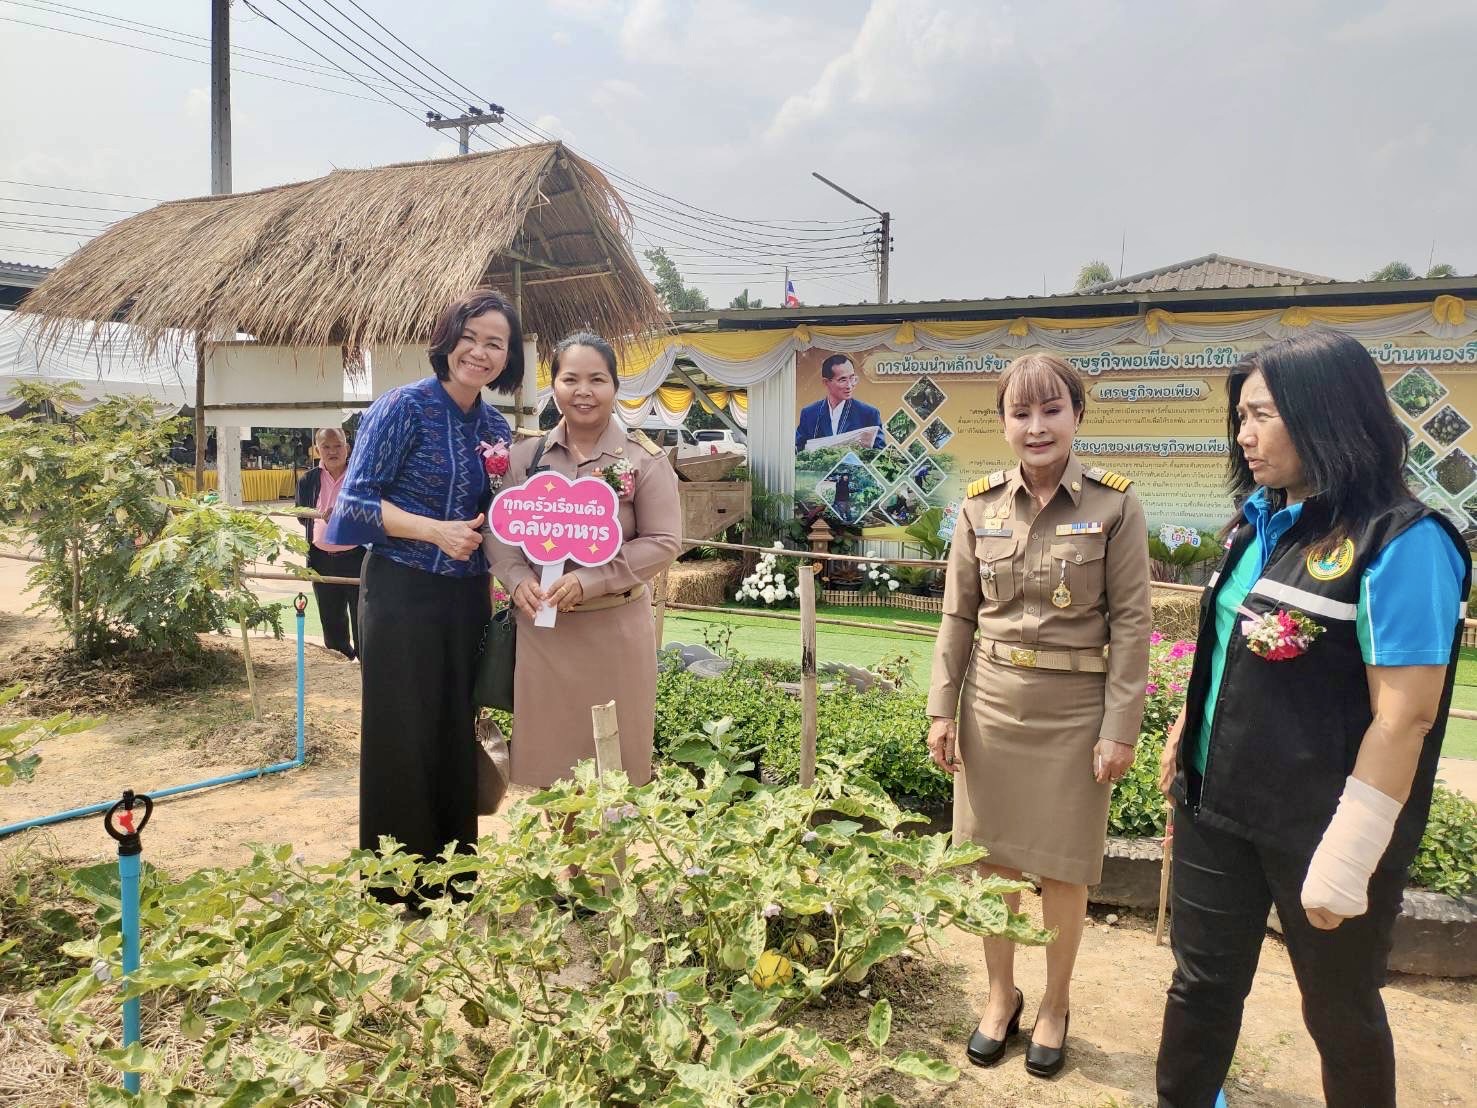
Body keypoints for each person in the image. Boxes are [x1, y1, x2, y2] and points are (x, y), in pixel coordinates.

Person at [1154, 330, 1469, 1108]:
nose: (1243, 436)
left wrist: (1349, 852)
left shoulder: (1401, 542)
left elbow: (1406, 717)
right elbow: (1227, 648)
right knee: (1200, 986)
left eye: (1260, 415)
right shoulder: (1259, 522)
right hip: (1216, 810)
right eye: (1239, 417)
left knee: (1338, 1012)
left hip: (1324, 831)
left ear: (1323, 413)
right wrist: (1180, 742)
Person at [925, 352, 1151, 1078]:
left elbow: (1133, 626)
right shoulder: (976, 506)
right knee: (989, 863)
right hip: (990, 706)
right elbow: (957, 617)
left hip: (1075, 715)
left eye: (1050, 409)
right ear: (1002, 423)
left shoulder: (1114, 506)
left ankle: (1054, 1002)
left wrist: (1120, 727)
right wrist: (942, 709)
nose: (1035, 425)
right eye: (1019, 412)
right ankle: (999, 996)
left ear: (1076, 416)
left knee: (1063, 871)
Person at [323, 288, 519, 905]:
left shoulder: (495, 426)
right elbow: (352, 505)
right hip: (401, 592)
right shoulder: (401, 408)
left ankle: (453, 880)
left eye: (496, 343)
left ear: (508, 358)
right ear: (447, 339)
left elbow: (503, 516)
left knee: (454, 729)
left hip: (465, 599)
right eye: (471, 336)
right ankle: (394, 883)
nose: (480, 352)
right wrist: (433, 529)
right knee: (401, 730)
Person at [486, 332, 680, 788]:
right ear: (552, 385)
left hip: (615, 633)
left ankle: (606, 861)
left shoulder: (642, 461)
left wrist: (590, 581)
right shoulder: (526, 457)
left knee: (613, 768)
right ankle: (565, 862)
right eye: (570, 378)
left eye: (597, 379)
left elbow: (664, 540)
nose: (583, 391)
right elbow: (499, 532)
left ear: (615, 387)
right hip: (542, 635)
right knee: (549, 767)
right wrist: (516, 580)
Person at [295, 426, 365, 660]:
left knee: (362, 614)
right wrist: (319, 513)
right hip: (321, 557)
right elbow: (301, 515)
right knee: (330, 614)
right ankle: (339, 658)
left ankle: (366, 661)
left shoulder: (360, 475)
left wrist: (345, 511)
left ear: (348, 448)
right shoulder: (308, 479)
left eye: (338, 446)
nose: (333, 451)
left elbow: (372, 509)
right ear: (317, 450)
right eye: (326, 447)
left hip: (356, 556)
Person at [795, 353, 884, 451]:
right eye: (843, 380)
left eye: (852, 378)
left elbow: (880, 454)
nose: (849, 386)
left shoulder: (869, 413)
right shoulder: (809, 413)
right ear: (826, 382)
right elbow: (798, 450)